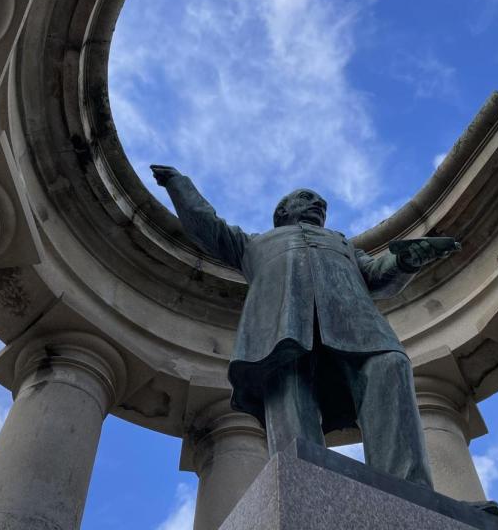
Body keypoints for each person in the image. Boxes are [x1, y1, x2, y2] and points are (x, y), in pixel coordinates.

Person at [151, 165, 457, 489]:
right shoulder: (253, 245)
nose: (319, 205)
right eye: (308, 198)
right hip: (281, 330)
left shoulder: (343, 245)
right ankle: (303, 485)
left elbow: (378, 275)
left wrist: (407, 260)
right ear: (283, 211)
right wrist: (179, 185)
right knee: (290, 398)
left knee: (390, 364)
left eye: (322, 204)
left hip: (354, 327)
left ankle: (409, 486)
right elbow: (207, 226)